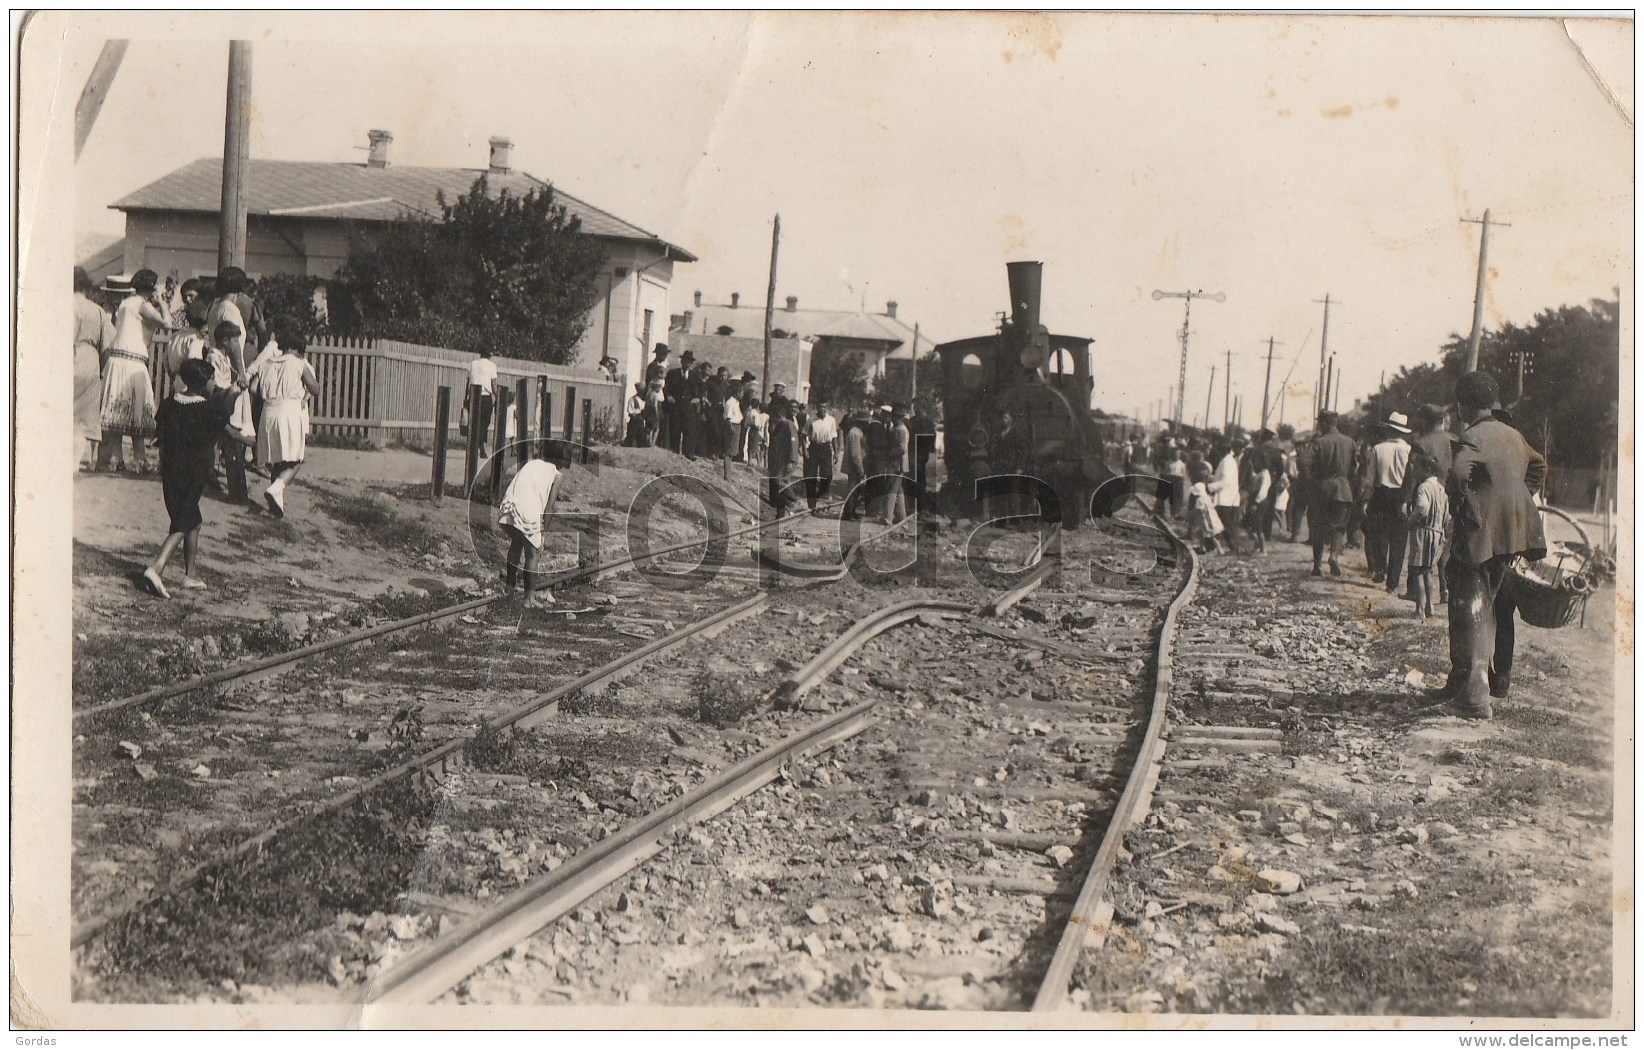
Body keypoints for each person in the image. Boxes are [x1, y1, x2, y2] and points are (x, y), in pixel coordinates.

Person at [1432, 371, 1547, 719]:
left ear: (1466, 405)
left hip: (1482, 534)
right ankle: (1462, 682)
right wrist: (1520, 497)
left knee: (1472, 609)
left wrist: (1465, 503)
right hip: (1512, 535)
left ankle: (1474, 696)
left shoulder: (1474, 435)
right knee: (1487, 606)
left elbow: (1455, 475)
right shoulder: (1514, 435)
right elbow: (1539, 465)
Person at [141, 359, 255, 599]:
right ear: (204, 382)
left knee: (192, 519)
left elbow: (161, 435)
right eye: (212, 378)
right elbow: (231, 431)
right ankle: (157, 568)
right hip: (194, 473)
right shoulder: (208, 409)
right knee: (185, 521)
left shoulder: (170, 404)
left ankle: (190, 574)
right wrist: (255, 443)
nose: (214, 383)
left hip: (171, 472)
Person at [96, 268, 171, 473]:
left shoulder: (126, 303)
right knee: (136, 409)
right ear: (152, 287)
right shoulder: (142, 305)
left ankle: (117, 458)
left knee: (120, 412)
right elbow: (167, 323)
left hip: (118, 358)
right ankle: (140, 460)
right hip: (132, 362)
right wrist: (161, 302)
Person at [250, 328, 320, 518]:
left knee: (278, 461)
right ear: (297, 349)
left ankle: (275, 507)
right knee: (295, 460)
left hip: (268, 412)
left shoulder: (267, 363)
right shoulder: (299, 363)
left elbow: (253, 387)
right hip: (289, 411)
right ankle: (277, 487)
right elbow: (315, 388)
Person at [497, 442, 567, 608]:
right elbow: (550, 507)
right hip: (528, 510)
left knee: (516, 543)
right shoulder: (556, 475)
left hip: (509, 504)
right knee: (533, 553)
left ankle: (509, 587)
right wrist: (543, 533)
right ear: (562, 461)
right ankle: (529, 599)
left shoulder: (532, 463)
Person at [1401, 404, 1455, 600]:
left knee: (1420, 544)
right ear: (1442, 421)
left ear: (1426, 421)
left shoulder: (1421, 443)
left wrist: (1406, 498)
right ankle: (1445, 588)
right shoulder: (1455, 441)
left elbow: (1412, 475)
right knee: (1444, 543)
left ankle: (1414, 591)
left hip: (1426, 495)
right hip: (1448, 497)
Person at [1359, 411, 1413, 591]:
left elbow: (1370, 478)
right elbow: (1411, 478)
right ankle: (1393, 582)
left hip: (1381, 494)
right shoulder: (1408, 450)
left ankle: (1380, 570)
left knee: (1379, 535)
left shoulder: (1378, 449)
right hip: (1401, 496)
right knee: (1398, 540)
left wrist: (1366, 499)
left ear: (1389, 429)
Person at [73, 267, 114, 470]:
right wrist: (101, 369)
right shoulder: (96, 310)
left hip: (69, 356)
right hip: (90, 359)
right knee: (87, 411)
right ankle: (84, 457)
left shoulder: (64, 306)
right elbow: (107, 345)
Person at [1308, 410, 1357, 577]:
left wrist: (1313, 478)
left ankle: (1317, 566)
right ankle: (1334, 556)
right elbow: (1353, 470)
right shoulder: (1350, 442)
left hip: (1322, 489)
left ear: (1323, 424)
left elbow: (1307, 464)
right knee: (1339, 527)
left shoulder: (1318, 442)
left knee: (1318, 527)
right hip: (1343, 489)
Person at [1406, 455, 1449, 622]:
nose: (1416, 472)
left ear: (1427, 470)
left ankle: (1420, 609)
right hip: (1437, 532)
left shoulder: (1423, 488)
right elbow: (1447, 515)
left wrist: (1411, 520)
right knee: (1428, 570)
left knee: (1417, 570)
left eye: (1419, 468)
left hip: (1422, 533)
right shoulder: (1441, 489)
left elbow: (1423, 508)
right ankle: (1430, 606)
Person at [1206, 438, 1244, 546]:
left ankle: (1233, 547)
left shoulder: (1227, 462)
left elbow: (1225, 481)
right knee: (1222, 524)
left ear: (1222, 450)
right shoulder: (1227, 461)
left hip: (1226, 499)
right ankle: (1216, 545)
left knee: (1226, 525)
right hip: (1226, 499)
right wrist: (1212, 478)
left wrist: (1210, 487)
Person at [766, 400, 801, 516]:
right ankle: (780, 515)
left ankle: (794, 501)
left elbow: (793, 444)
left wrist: (791, 461)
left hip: (787, 461)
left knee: (780, 482)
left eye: (776, 417)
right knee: (779, 488)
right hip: (779, 461)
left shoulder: (788, 425)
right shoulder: (779, 426)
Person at [804, 401, 838, 513]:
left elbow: (834, 437)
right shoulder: (811, 420)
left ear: (827, 408)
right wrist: (804, 449)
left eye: (824, 406)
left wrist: (836, 452)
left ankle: (819, 495)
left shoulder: (831, 420)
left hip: (825, 448)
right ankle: (811, 505)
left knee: (827, 476)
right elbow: (803, 435)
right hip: (813, 447)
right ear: (817, 408)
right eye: (820, 407)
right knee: (810, 477)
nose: (822, 409)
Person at [467, 348, 498, 458]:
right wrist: (497, 396)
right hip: (485, 397)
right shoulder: (491, 365)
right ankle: (481, 447)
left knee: (475, 422)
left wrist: (466, 397)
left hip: (473, 396)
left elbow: (468, 381)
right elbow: (493, 383)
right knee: (484, 423)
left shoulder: (472, 364)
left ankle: (476, 447)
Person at [662, 349, 691, 455]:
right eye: (685, 361)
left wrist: (697, 398)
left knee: (687, 431)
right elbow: (666, 388)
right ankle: (674, 452)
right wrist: (668, 396)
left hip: (688, 408)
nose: (687, 364)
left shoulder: (694, 376)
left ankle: (686, 454)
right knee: (675, 429)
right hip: (675, 406)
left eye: (689, 362)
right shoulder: (672, 374)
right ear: (681, 361)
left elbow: (700, 390)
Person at [840, 411, 868, 520]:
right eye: (865, 422)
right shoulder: (855, 433)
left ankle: (851, 512)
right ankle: (848, 513)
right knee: (852, 490)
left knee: (855, 490)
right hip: (853, 467)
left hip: (854, 467)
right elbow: (855, 454)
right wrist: (860, 470)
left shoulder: (857, 432)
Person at [624, 382, 652, 447]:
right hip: (634, 421)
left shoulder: (644, 400)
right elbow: (629, 410)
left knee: (642, 439)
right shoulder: (632, 399)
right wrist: (638, 411)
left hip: (641, 421)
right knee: (630, 439)